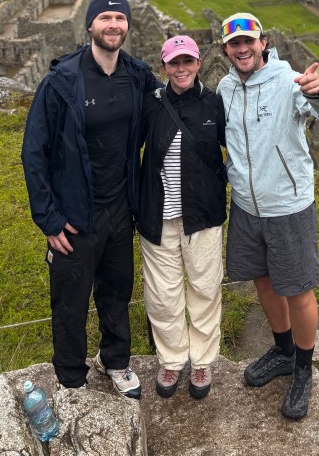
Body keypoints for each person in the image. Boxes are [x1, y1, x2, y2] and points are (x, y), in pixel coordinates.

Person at [21, 0, 156, 397]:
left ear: (127, 26)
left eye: (120, 18)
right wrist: (49, 219)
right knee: (70, 302)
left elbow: (166, 112)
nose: (113, 25)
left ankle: (115, 361)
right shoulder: (62, 82)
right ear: (90, 25)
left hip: (119, 208)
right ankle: (72, 379)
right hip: (74, 216)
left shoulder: (137, 76)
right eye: (105, 18)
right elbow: (34, 152)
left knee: (116, 292)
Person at [217, 11, 319, 421]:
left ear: (263, 42)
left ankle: (304, 369)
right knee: (263, 280)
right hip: (246, 206)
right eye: (234, 44)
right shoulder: (224, 89)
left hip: (287, 205)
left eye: (248, 41)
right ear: (226, 50)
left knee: (298, 289)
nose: (242, 49)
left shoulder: (289, 81)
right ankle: (283, 349)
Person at [134, 35, 226, 401]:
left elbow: (238, 147)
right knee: (162, 295)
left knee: (205, 289)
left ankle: (201, 361)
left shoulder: (214, 104)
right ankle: (171, 359)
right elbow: (128, 148)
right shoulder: (151, 105)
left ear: (199, 64)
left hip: (202, 215)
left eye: (188, 61)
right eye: (174, 62)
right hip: (158, 215)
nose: (181, 68)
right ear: (164, 67)